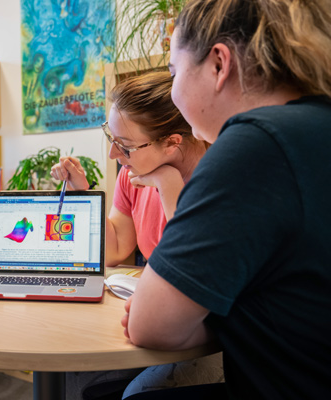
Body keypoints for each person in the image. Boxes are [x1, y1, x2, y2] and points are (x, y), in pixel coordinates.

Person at [122, 0, 331, 399]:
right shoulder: (314, 126)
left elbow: (150, 325)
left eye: (174, 72)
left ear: (219, 64)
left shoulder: (255, 142)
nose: (174, 92)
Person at [51, 72, 221, 398]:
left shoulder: (213, 181)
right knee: (72, 375)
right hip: (164, 316)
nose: (114, 156)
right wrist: (80, 193)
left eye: (124, 146)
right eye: (111, 138)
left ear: (172, 142)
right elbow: (115, 248)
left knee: (136, 392)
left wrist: (169, 187)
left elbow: (191, 269)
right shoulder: (134, 175)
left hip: (213, 335)